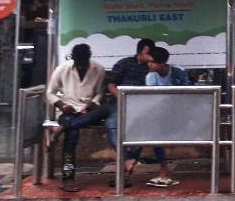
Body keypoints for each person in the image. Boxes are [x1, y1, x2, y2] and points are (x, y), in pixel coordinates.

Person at [44, 43, 110, 192]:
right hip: (67, 111)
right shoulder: (62, 69)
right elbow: (50, 92)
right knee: (72, 135)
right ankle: (68, 179)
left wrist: (92, 103)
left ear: (89, 59)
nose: (80, 67)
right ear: (73, 60)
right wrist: (61, 105)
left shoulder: (98, 69)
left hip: (88, 112)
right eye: (78, 63)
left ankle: (60, 129)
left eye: (83, 63)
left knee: (105, 110)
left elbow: (99, 93)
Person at [106, 38, 168, 188]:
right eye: (148, 53)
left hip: (144, 106)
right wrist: (121, 97)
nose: (150, 58)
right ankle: (127, 159)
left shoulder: (152, 70)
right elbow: (111, 84)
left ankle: (126, 169)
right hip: (121, 102)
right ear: (141, 51)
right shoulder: (125, 63)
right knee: (112, 124)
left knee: (143, 126)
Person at [139, 46, 189, 187]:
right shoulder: (150, 77)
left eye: (152, 62)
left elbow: (187, 95)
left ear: (162, 62)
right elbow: (153, 100)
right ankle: (163, 166)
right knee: (154, 132)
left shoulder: (179, 72)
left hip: (181, 112)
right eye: (148, 62)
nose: (149, 65)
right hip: (161, 114)